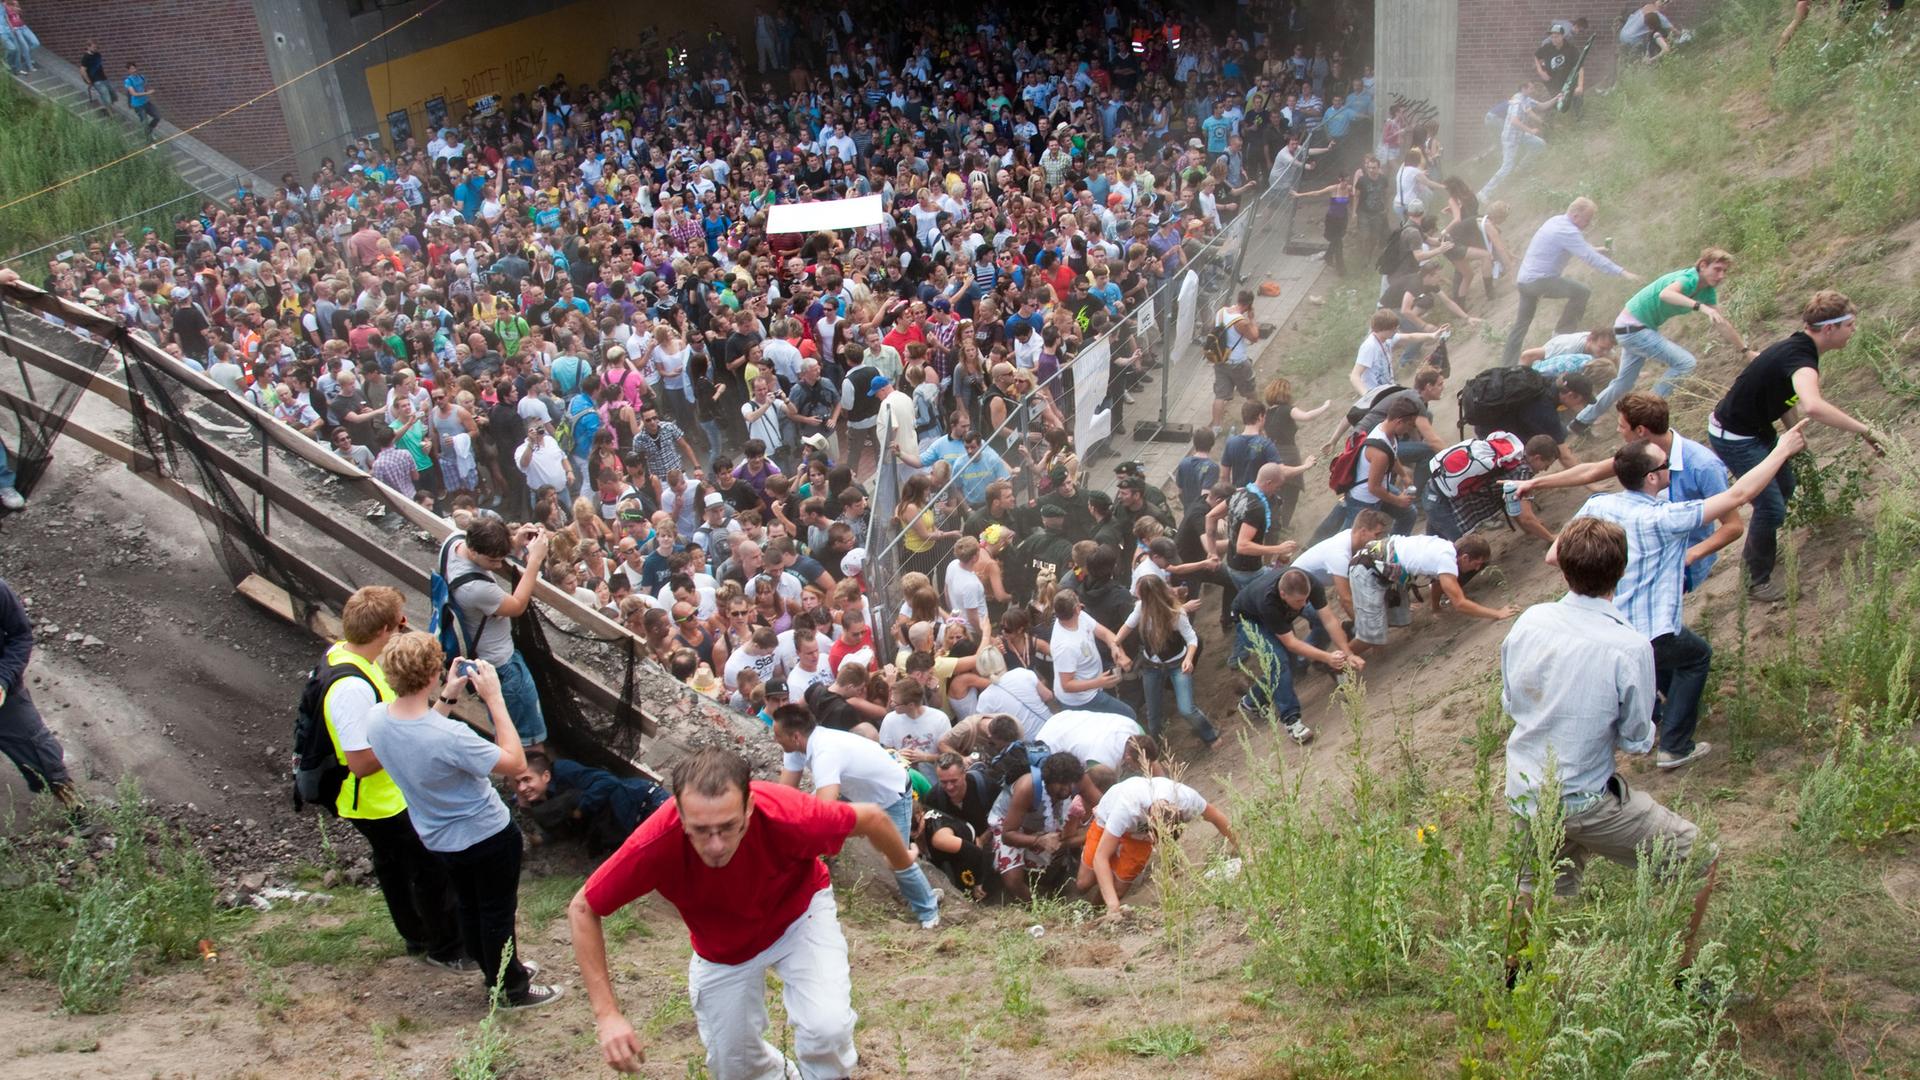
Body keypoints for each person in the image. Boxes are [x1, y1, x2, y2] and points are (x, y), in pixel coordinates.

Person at [569, 747, 929, 1077]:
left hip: (798, 916)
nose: (715, 846)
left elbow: (873, 819)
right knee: (735, 1066)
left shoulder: (789, 815)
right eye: (700, 831)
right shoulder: (656, 842)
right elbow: (584, 907)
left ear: (749, 807)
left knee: (826, 1028)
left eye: (728, 827)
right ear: (679, 813)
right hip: (723, 947)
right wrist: (608, 1015)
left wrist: (904, 865)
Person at [1503, 516, 1717, 979]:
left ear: (1562, 569)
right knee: (1698, 856)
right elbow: (1638, 738)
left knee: (1530, 882)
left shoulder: (1530, 621)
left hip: (1525, 787)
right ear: (1622, 571)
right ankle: (1681, 976)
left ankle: (1514, 976)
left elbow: (1511, 698)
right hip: (1584, 796)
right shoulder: (1629, 645)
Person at [1560, 423, 1811, 769]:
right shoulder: (1664, 517)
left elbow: (1553, 555)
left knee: (1657, 664)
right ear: (1650, 478)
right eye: (1663, 466)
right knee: (1695, 658)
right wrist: (1782, 450)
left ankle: (1657, 720)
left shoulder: (1598, 505)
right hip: (1651, 626)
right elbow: (1738, 496)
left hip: (1608, 625)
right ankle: (1675, 747)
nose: (1668, 470)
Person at [363, 632, 563, 1010]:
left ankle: (496, 969)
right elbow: (516, 762)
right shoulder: (452, 736)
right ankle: (510, 989)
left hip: (438, 836)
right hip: (485, 834)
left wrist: (449, 695)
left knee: (471, 907)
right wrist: (494, 698)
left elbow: (418, 731)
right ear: (430, 675)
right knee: (497, 912)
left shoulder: (377, 720)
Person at [315, 587, 465, 971]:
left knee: (396, 866)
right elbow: (362, 761)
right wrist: (408, 741)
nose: (403, 625)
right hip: (376, 801)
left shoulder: (346, 656)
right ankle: (446, 949)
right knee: (429, 868)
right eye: (400, 621)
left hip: (385, 796)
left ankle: (418, 935)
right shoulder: (349, 687)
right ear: (384, 628)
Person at [1708, 290, 1883, 601]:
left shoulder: (1799, 349)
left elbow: (1783, 393)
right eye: (1850, 325)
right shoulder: (1801, 359)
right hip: (1734, 436)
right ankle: (1755, 580)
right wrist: (1865, 430)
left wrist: (1791, 432)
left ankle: (1759, 552)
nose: (1853, 331)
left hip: (1756, 429)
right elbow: (1813, 406)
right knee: (1770, 506)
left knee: (1785, 485)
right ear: (1830, 329)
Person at [1514, 392, 1741, 592]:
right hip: (1638, 560)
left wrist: (1692, 555)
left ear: (1640, 430)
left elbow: (1733, 526)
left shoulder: (1703, 466)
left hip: (1677, 569)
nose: (1617, 430)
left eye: (1622, 426)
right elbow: (1590, 471)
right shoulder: (1641, 453)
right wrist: (1535, 484)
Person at [771, 705, 944, 928]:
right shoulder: (795, 749)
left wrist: (808, 833)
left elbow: (825, 806)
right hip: (854, 790)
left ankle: (928, 910)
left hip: (891, 795)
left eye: (777, 735)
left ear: (795, 736)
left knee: (895, 857)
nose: (775, 739)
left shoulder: (826, 751)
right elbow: (785, 794)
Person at [1573, 248, 1755, 436]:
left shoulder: (1707, 292)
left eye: (1724, 271)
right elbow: (1666, 294)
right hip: (1634, 330)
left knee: (1622, 384)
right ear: (1702, 265)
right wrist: (1701, 308)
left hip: (1630, 328)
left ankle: (1580, 421)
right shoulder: (1689, 278)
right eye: (1717, 269)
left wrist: (1745, 351)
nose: (1721, 275)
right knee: (1685, 363)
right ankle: (1643, 414)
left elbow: (1721, 323)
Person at [440, 517, 550, 746]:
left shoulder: (453, 542)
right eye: (493, 560)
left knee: (504, 725)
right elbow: (517, 605)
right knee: (527, 737)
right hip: (502, 665)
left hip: (484, 659)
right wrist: (535, 560)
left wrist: (513, 542)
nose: (499, 565)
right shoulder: (475, 589)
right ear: (473, 549)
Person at [1500, 197, 1638, 368]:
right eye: (1587, 219)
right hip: (1540, 280)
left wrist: (1597, 250)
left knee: (1520, 326)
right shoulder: (1568, 231)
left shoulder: (1556, 221)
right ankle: (1561, 335)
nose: (1588, 223)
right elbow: (1589, 257)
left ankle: (1506, 366)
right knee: (1582, 292)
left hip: (1525, 281)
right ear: (1575, 215)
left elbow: (1580, 248)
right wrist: (1622, 272)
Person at [1231, 566, 1363, 744]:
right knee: (1278, 661)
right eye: (1299, 601)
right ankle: (1292, 721)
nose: (1304, 604)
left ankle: (1252, 700)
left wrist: (1348, 653)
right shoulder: (1268, 601)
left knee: (1291, 664)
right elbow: (1291, 643)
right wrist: (1328, 657)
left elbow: (1330, 620)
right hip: (1248, 619)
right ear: (1283, 594)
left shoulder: (1309, 583)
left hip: (1275, 611)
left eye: (1306, 599)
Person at [1076, 774, 1237, 916]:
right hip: (1108, 818)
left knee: (1117, 890)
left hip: (1140, 836)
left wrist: (1244, 849)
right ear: (1151, 824)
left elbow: (1216, 816)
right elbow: (1101, 857)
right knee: (1084, 883)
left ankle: (1094, 912)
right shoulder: (1127, 808)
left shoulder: (1186, 799)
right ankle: (1089, 904)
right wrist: (1114, 906)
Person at [1348, 534, 1517, 656]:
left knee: (1399, 618)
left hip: (1383, 567)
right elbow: (1459, 603)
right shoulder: (1446, 560)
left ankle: (1360, 633)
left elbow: (1437, 583)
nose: (1477, 569)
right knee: (1371, 636)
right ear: (1465, 557)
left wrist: (1435, 609)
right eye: (1477, 563)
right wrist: (1497, 613)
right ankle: (1337, 661)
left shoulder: (1445, 547)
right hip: (1366, 569)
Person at [1112, 575, 1218, 748]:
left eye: (1139, 594)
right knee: (1153, 713)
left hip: (1177, 664)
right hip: (1151, 666)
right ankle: (1156, 747)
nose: (1136, 597)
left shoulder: (1176, 614)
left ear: (1150, 597)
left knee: (1186, 709)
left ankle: (1210, 735)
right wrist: (1116, 644)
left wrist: (1189, 659)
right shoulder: (1140, 608)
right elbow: (1127, 626)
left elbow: (1192, 639)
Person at [0, 575, 77, 807]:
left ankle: (78, 811)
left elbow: (21, 636)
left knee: (43, 756)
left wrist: (3, 680)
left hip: (4, 699)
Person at [512, 751, 668, 857]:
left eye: (527, 780)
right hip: (630, 825)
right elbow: (565, 824)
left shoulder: (564, 771)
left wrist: (581, 809)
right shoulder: (540, 801)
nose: (522, 788)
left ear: (545, 776)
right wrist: (540, 839)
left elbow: (608, 781)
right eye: (518, 782)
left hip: (645, 801)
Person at [1424, 432, 1561, 542]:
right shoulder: (1521, 472)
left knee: (1430, 548)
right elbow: (1526, 518)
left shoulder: (1512, 452)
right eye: (1547, 465)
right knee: (1462, 558)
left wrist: (1529, 529)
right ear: (1537, 458)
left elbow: (1514, 504)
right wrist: (1551, 537)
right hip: (1442, 506)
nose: (1545, 470)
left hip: (1433, 490)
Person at [1048, 589, 1136, 720]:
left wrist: (1116, 649)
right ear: (1077, 609)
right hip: (1081, 700)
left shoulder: (1080, 617)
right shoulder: (1065, 646)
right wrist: (1098, 682)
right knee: (1128, 715)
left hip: (1094, 685)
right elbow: (1067, 685)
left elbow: (1105, 634)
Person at [1210, 289, 1262, 428]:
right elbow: (1255, 337)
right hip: (1237, 362)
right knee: (1250, 393)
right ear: (1249, 304)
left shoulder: (1221, 312)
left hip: (1220, 359)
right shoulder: (1241, 322)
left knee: (1220, 396)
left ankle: (1216, 427)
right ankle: (1256, 419)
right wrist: (1251, 318)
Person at [123, 60, 160, 140]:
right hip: (138, 105)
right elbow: (133, 94)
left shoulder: (142, 77)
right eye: (132, 69)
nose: (134, 70)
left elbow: (145, 87)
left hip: (146, 102)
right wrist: (147, 93)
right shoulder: (128, 81)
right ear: (128, 70)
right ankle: (149, 140)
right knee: (144, 122)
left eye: (134, 68)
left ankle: (150, 130)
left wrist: (148, 91)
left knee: (157, 116)